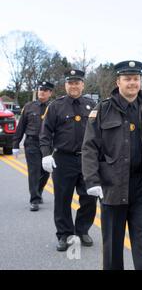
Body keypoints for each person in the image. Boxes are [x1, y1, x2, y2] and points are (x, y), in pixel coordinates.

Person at [82, 60, 142, 270]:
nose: (132, 83)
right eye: (127, 79)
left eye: (136, 79)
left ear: (140, 81)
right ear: (118, 81)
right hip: (112, 187)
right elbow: (89, 148)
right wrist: (92, 179)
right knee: (113, 247)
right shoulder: (103, 110)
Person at [40, 69, 97, 251]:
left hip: (87, 160)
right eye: (70, 83)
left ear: (83, 84)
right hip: (63, 160)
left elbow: (100, 133)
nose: (74, 86)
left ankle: (81, 230)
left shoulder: (92, 105)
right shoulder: (56, 106)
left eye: (77, 82)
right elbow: (45, 132)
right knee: (62, 199)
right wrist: (46, 154)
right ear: (65, 85)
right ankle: (64, 234)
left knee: (89, 198)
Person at [13, 81, 54, 211]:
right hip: (32, 143)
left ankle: (39, 190)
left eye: (45, 90)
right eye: (40, 89)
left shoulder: (54, 108)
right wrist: (15, 144)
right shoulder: (29, 106)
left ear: (50, 93)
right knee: (34, 171)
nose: (42, 91)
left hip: (47, 144)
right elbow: (21, 127)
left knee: (46, 171)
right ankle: (34, 199)